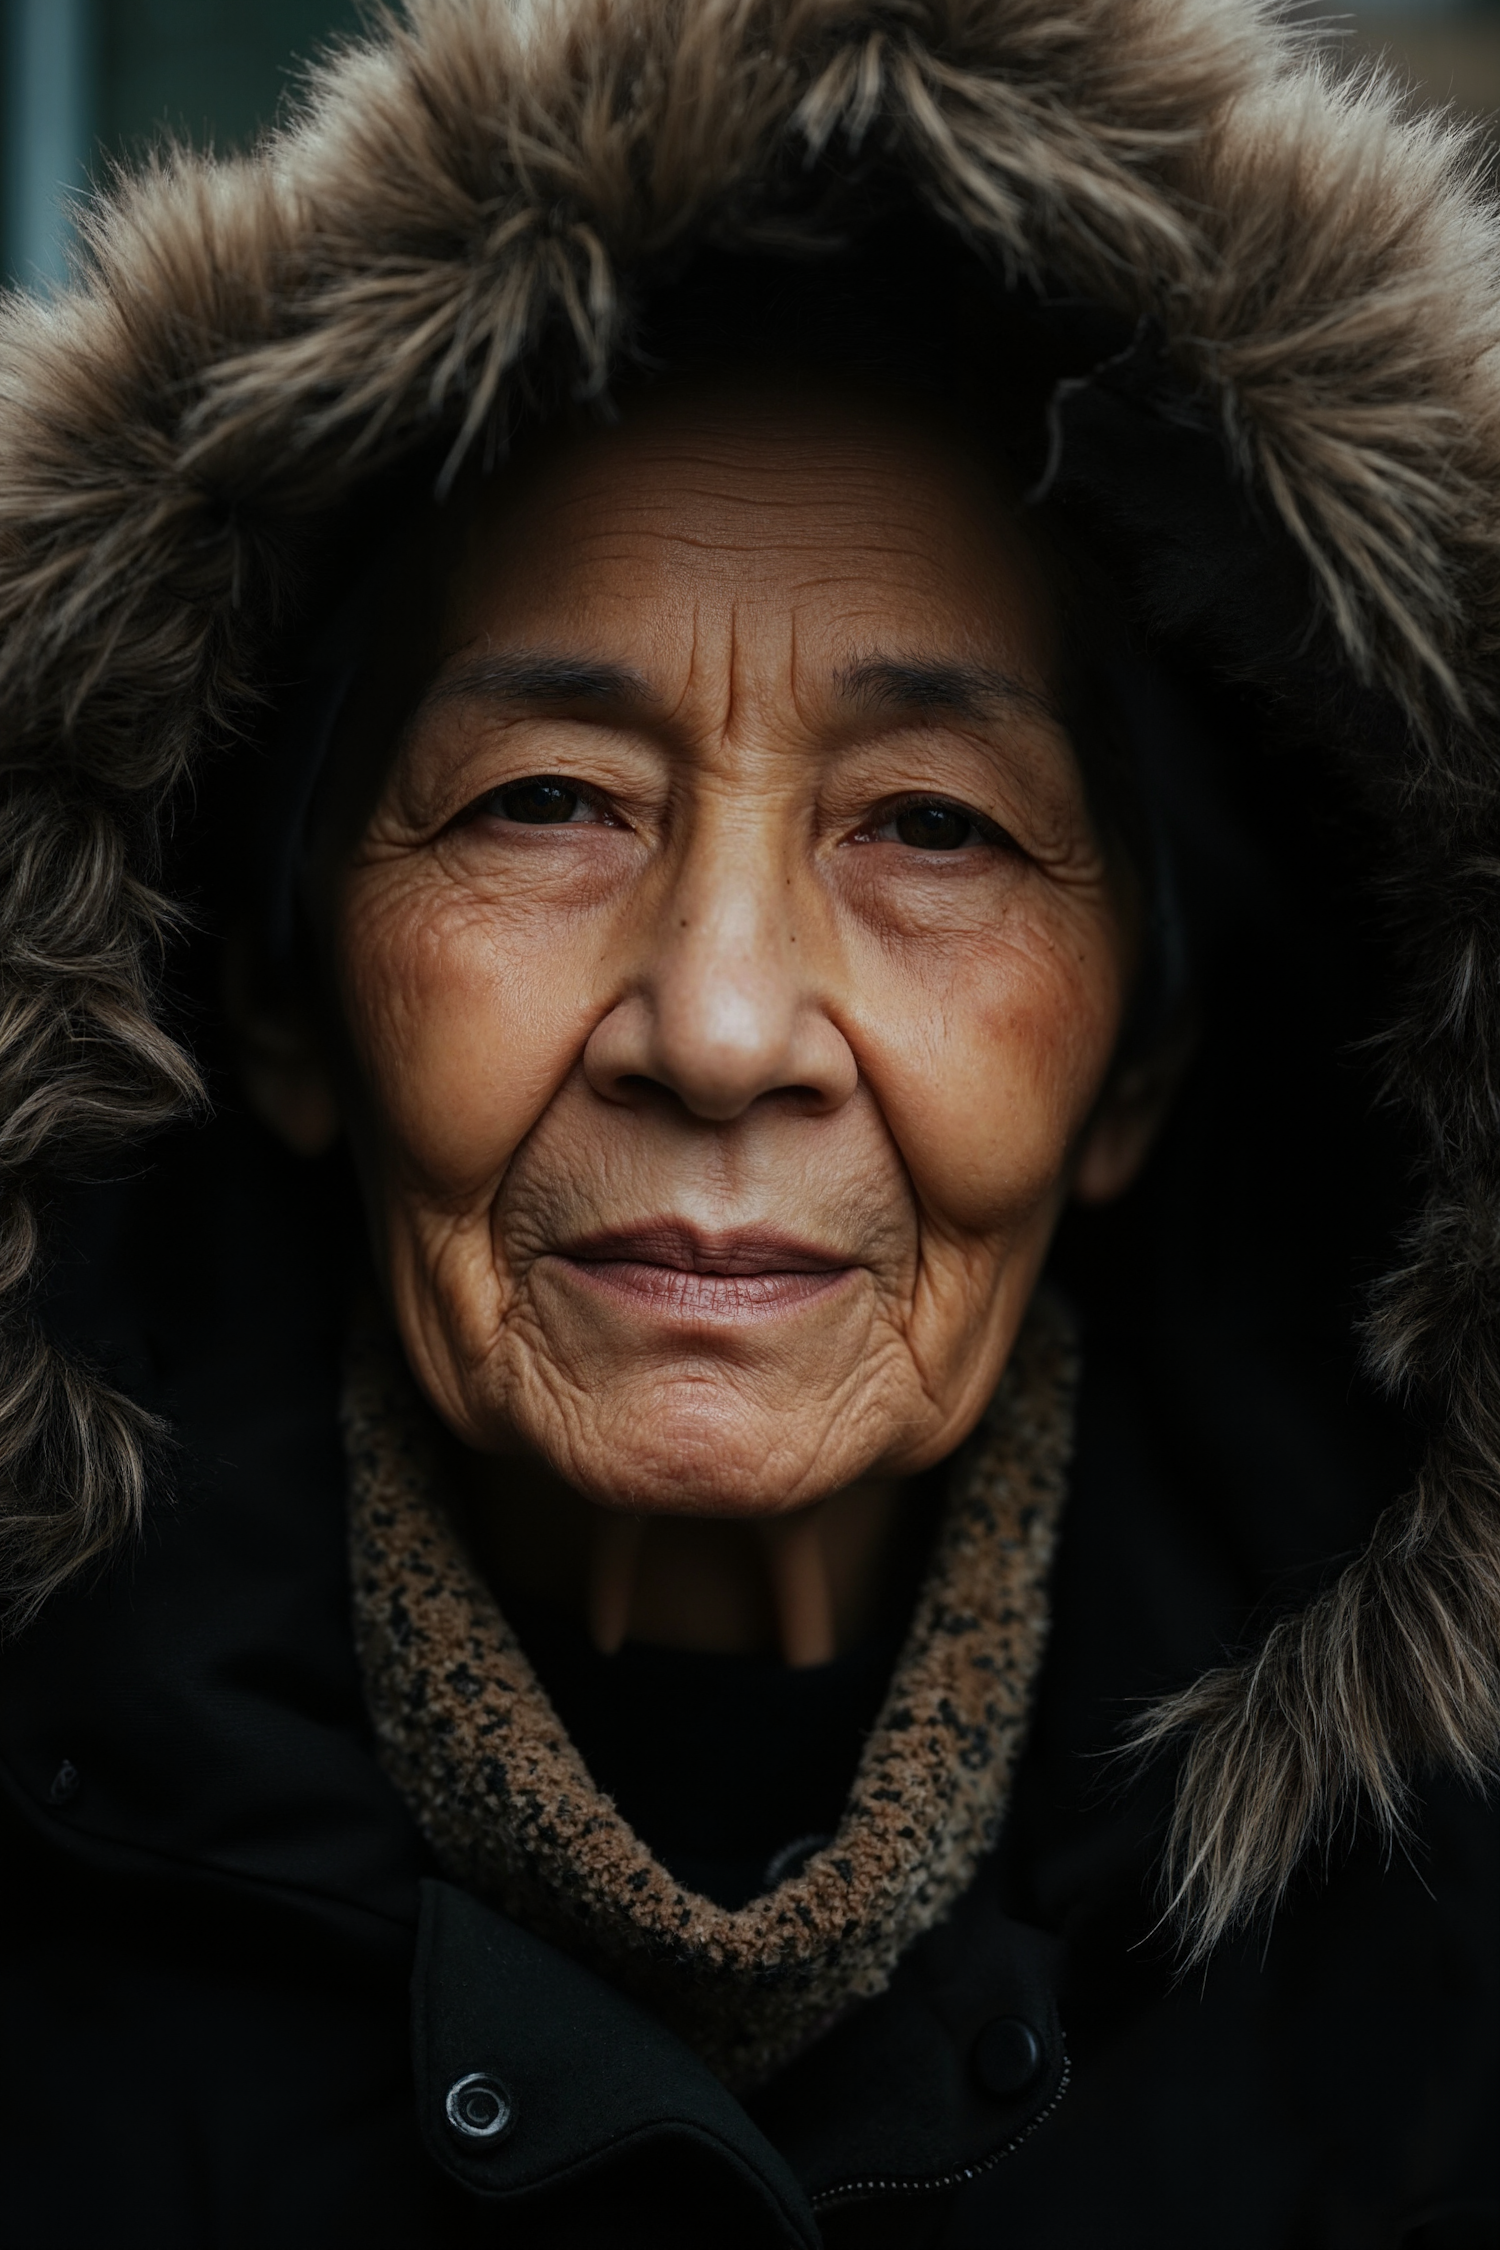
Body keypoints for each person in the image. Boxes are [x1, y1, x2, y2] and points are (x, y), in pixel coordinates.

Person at [0, 2, 1495, 2244]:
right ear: (286, 1007)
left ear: (1138, 1073)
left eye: (932, 826)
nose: (716, 1025)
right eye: (542, 803)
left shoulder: (1447, 1972)